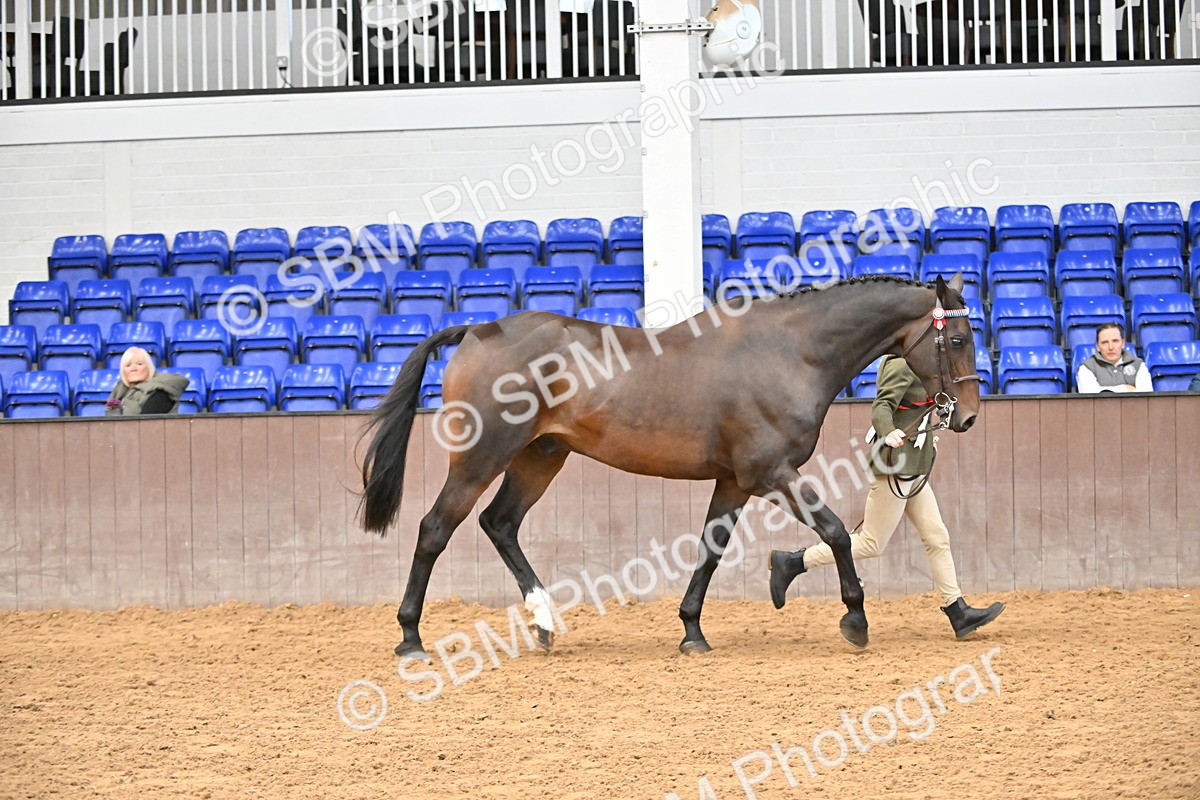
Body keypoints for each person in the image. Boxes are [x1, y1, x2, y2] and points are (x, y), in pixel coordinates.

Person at [768, 355, 1004, 639]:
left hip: (914, 468)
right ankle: (793, 562)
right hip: (896, 467)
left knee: (936, 537)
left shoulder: (923, 363)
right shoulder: (900, 364)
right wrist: (888, 431)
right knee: (871, 543)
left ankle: (958, 612)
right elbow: (882, 405)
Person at [104, 347, 189, 416]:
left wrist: (123, 405)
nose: (134, 368)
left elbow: (142, 424)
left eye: (139, 364)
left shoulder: (162, 391)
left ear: (149, 367)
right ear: (123, 371)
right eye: (128, 365)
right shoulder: (118, 393)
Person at [1076, 323, 1153, 394]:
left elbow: (1146, 395)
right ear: (1097, 346)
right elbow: (1090, 396)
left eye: (1115, 341)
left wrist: (1104, 390)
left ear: (1123, 343)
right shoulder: (1086, 367)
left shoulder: (1138, 364)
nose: (1111, 347)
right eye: (1105, 342)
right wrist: (1125, 388)